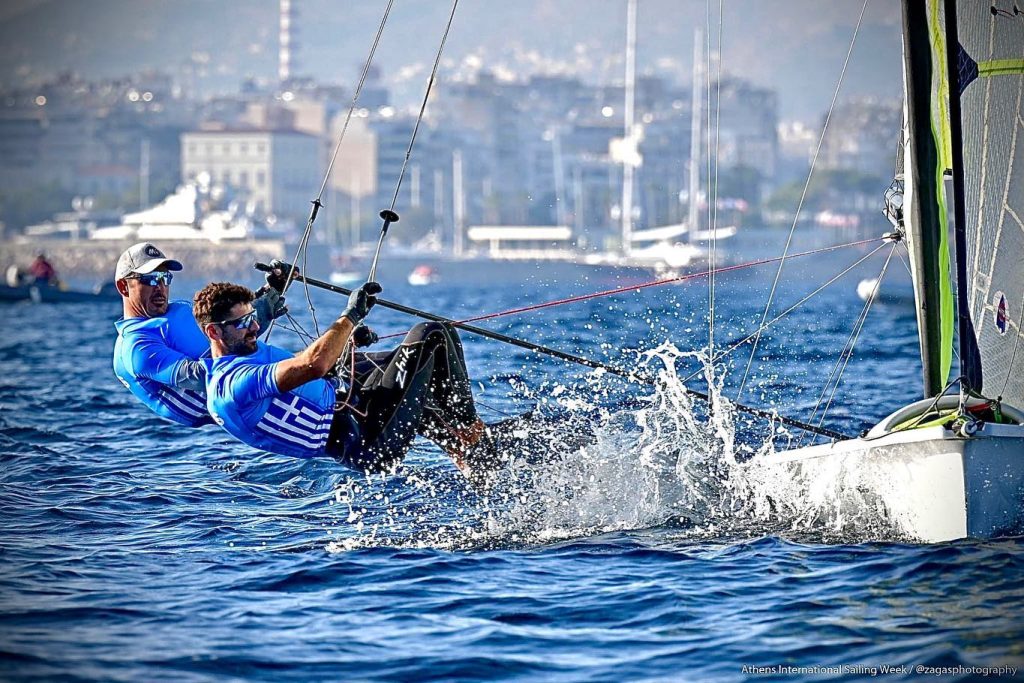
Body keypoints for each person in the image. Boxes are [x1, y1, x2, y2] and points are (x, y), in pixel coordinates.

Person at [193, 280, 502, 482]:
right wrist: (350, 316)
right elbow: (313, 365)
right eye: (244, 323)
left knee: (438, 338)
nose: (255, 326)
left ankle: (471, 455)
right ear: (214, 332)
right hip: (367, 440)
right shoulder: (232, 386)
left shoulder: (248, 356)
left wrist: (347, 342)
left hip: (357, 407)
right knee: (430, 335)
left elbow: (309, 378)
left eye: (253, 317)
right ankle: (474, 438)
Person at [112, 242, 291, 427]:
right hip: (255, 408)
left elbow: (230, 333)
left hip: (265, 380)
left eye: (165, 277)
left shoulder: (179, 310)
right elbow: (200, 377)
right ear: (124, 287)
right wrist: (286, 370)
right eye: (150, 279)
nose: (160, 287)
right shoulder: (135, 346)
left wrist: (272, 291)